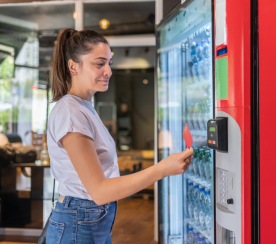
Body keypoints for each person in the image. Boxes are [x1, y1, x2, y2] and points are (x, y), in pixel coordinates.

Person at [46, 28, 193, 244]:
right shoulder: (71, 112)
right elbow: (99, 191)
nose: (108, 71)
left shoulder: (84, 107)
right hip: (79, 221)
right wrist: (162, 169)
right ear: (73, 66)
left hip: (88, 220)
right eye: (99, 63)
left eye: (109, 63)